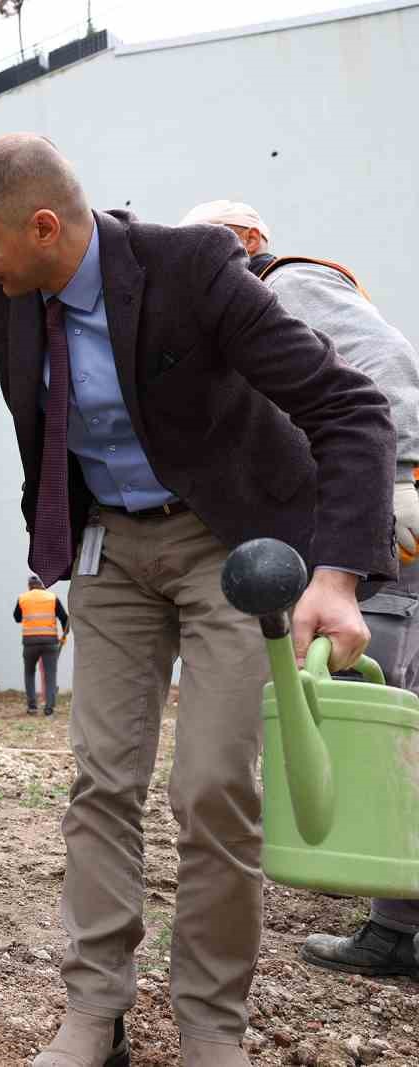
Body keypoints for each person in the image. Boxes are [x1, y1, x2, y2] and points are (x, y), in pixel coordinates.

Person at [0, 135, 394, 1067]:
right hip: (110, 547)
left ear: (45, 225)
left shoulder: (195, 270)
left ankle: (211, 1026)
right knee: (101, 781)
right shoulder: (6, 300)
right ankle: (93, 1014)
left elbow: (350, 407)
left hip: (227, 542)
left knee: (215, 789)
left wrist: (338, 576)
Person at [180, 199, 419, 980]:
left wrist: (374, 488)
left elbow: (370, 392)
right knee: (391, 709)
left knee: (375, 709)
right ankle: (393, 927)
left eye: (213, 246)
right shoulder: (320, 293)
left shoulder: (285, 287)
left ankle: (392, 915)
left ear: (249, 243)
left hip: (394, 495)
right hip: (396, 488)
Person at [14, 575, 69, 716]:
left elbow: (17, 618)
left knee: (29, 673)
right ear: (42, 585)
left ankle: (32, 706)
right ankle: (49, 708)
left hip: (30, 642)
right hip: (50, 642)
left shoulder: (23, 598)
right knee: (50, 674)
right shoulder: (52, 598)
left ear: (29, 586)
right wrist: (65, 634)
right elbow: (64, 618)